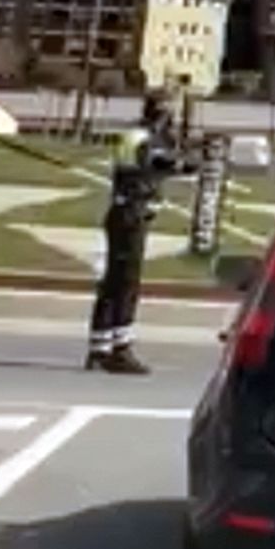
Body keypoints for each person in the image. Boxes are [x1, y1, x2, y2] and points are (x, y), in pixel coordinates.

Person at [86, 92, 191, 375]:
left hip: (124, 213)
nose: (172, 119)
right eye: (169, 113)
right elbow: (156, 164)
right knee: (126, 283)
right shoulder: (143, 139)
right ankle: (120, 349)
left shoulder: (134, 136)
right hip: (131, 215)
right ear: (161, 113)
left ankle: (99, 346)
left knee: (114, 281)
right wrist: (185, 164)